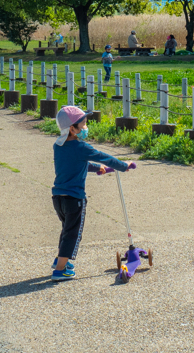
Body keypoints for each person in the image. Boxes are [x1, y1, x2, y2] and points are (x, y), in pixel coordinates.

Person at [51, 105, 135, 281]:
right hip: (75, 199)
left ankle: (61, 260)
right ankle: (59, 270)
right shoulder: (82, 147)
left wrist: (98, 168)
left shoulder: (58, 146)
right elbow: (105, 156)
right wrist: (123, 165)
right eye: (83, 125)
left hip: (58, 198)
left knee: (67, 230)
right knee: (73, 234)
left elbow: (75, 164)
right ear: (73, 129)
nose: (86, 128)